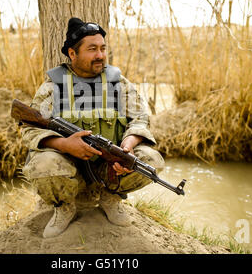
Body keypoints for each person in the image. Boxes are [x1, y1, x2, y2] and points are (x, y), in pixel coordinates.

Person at [21, 17, 165, 238]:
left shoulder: (119, 83)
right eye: (92, 49)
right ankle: (65, 207)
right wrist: (64, 144)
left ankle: (110, 198)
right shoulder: (54, 86)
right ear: (72, 53)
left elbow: (140, 118)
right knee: (42, 164)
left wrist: (128, 145)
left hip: (108, 165)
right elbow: (30, 129)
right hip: (67, 165)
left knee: (150, 161)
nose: (100, 55)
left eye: (102, 48)